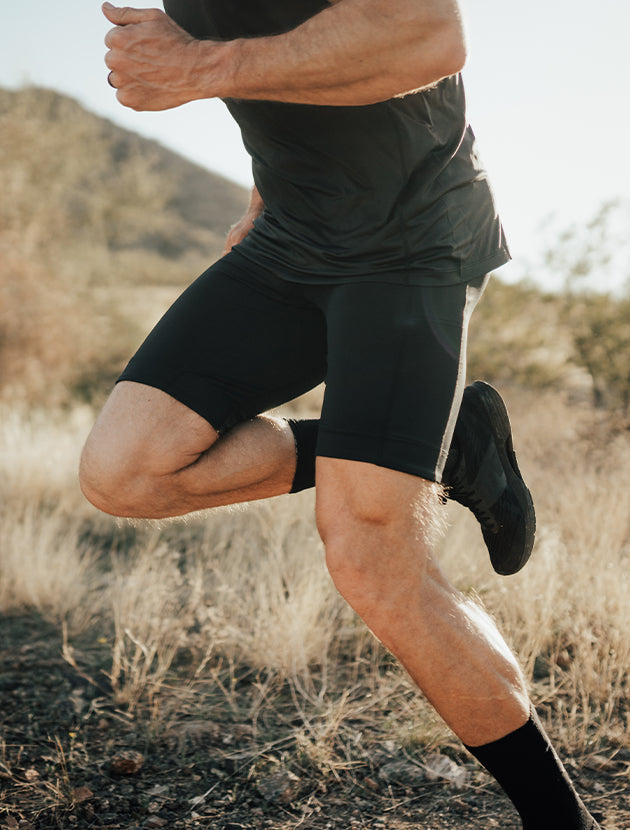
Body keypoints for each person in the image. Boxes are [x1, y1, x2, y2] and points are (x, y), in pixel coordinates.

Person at [79, 2, 599, 827]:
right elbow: (276, 48)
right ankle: (450, 447)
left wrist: (199, 68)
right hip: (289, 238)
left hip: (411, 240)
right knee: (125, 472)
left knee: (370, 559)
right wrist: (265, 186)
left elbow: (428, 36)